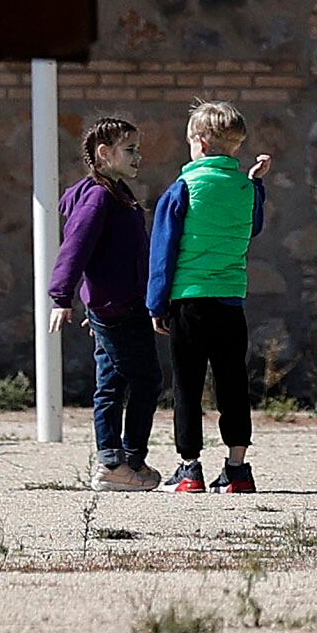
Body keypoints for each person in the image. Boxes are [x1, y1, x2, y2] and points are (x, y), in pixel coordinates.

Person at [146, 101, 271, 494]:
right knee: (233, 380)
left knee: (187, 383)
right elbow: (253, 227)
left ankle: (189, 467)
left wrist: (156, 303)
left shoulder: (182, 188)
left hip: (188, 299)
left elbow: (162, 250)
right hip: (230, 300)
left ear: (198, 142)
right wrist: (256, 184)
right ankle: (237, 469)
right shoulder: (246, 189)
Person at [47, 116, 160, 490]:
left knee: (113, 383)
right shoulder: (99, 196)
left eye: (137, 149)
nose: (137, 157)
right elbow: (75, 249)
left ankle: (118, 462)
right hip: (119, 309)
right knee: (145, 380)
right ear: (104, 153)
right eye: (129, 150)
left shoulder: (118, 193)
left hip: (118, 305)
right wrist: (62, 297)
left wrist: (93, 302)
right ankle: (121, 461)